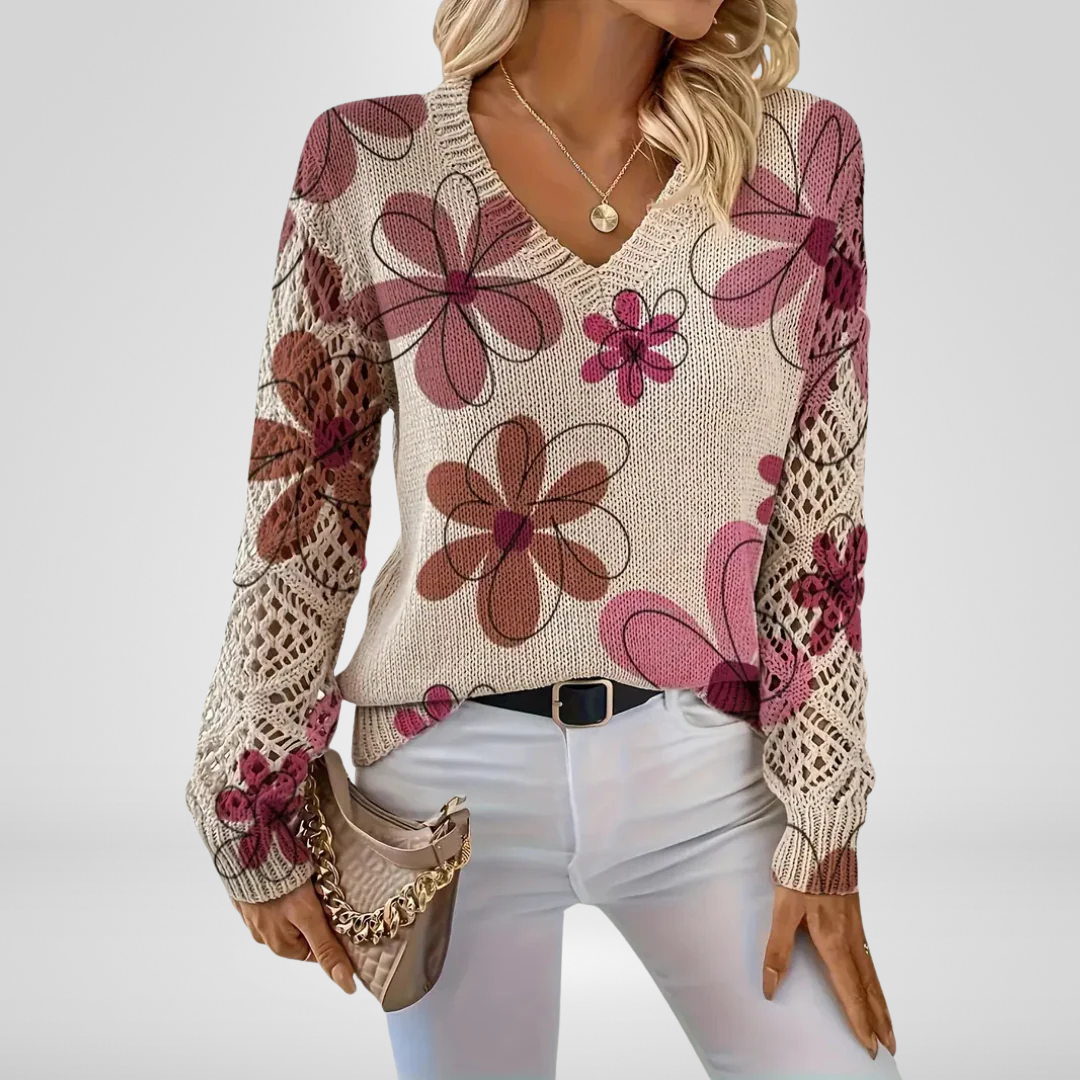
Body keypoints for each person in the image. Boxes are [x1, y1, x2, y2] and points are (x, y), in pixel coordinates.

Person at [184, 1, 901, 1075]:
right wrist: (251, 794)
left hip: (711, 780)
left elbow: (818, 536)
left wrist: (824, 818)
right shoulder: (368, 163)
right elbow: (301, 510)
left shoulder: (804, 161)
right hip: (444, 798)